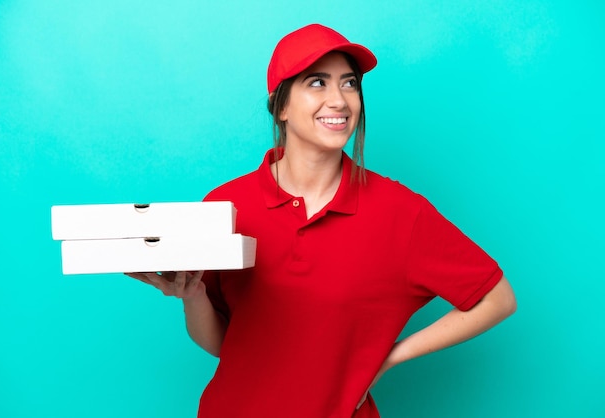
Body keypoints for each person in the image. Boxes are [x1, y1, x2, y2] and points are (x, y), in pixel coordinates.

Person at [127, 23, 517, 418]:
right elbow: (224, 344)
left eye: (349, 84)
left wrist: (391, 356)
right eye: (318, 83)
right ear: (281, 106)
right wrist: (193, 298)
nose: (340, 100)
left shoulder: (399, 211)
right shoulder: (228, 205)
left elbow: (497, 298)